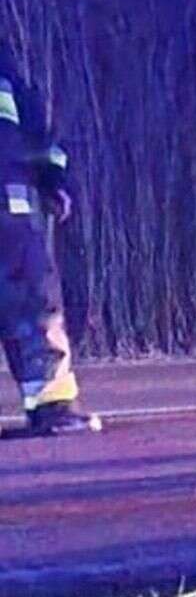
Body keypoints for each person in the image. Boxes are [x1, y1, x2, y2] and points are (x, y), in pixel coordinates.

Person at [0, 43, 100, 437]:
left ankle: (53, 405)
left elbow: (36, 133)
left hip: (11, 209)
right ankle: (53, 406)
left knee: (34, 305)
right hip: (12, 209)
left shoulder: (6, 74)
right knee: (34, 304)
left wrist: (55, 180)